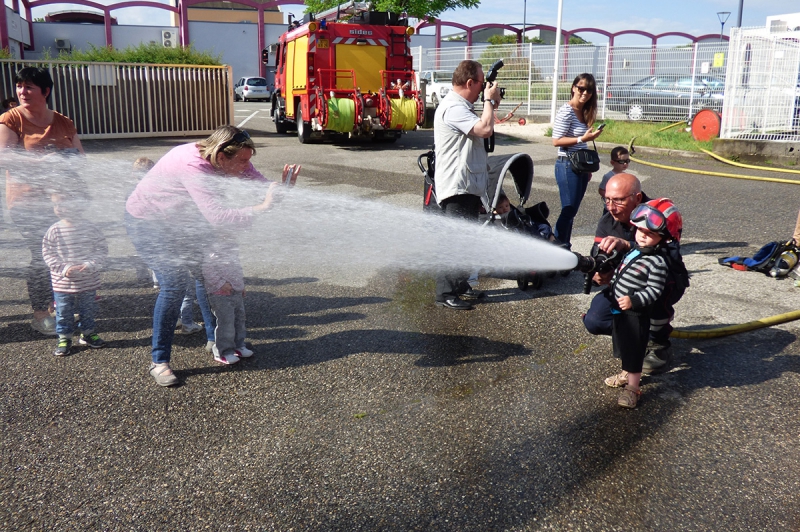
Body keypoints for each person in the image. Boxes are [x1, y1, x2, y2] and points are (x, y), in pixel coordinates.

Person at [125, 125, 299, 387]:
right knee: (174, 285)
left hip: (182, 221)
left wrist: (281, 189)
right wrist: (263, 207)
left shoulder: (232, 156)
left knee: (204, 274)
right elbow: (218, 218)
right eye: (241, 161)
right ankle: (159, 361)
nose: (245, 166)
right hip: (149, 222)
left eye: (248, 160)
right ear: (221, 157)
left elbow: (259, 184)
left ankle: (214, 340)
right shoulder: (194, 167)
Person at [0, 67, 85, 336]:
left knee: (63, 254)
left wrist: (67, 159)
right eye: (19, 86)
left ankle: (57, 304)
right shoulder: (10, 119)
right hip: (27, 203)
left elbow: (80, 157)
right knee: (41, 256)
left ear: (45, 91)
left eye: (29, 87)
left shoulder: (63, 121)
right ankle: (39, 314)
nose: (22, 92)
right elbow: (4, 158)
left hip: (60, 201)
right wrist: (43, 162)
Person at [582, 173, 678, 373]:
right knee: (594, 320)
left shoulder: (659, 214)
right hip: (625, 284)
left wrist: (628, 246)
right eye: (607, 200)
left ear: (638, 198)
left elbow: (670, 255)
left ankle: (658, 345)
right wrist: (599, 272)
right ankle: (632, 334)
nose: (610, 207)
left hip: (656, 282)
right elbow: (598, 252)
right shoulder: (608, 221)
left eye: (618, 200)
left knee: (662, 288)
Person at [433, 59, 501, 310]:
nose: (485, 88)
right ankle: (445, 293)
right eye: (482, 84)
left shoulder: (461, 106)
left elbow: (486, 127)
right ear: (470, 82)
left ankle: (460, 286)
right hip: (458, 186)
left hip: (467, 184)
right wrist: (487, 101)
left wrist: (491, 103)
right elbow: (484, 129)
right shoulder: (453, 107)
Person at [602, 199, 681, 408]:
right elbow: (622, 272)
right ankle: (626, 374)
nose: (642, 236)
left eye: (650, 234)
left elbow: (654, 291)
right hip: (620, 310)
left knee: (636, 350)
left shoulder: (657, 262)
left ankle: (633, 388)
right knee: (623, 345)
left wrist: (634, 300)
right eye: (639, 230)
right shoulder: (635, 251)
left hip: (636, 314)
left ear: (663, 238)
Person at [42, 187, 108, 356]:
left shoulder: (90, 228)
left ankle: (87, 333)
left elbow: (101, 249)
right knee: (64, 312)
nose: (58, 208)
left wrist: (91, 264)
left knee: (88, 310)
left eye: (63, 204)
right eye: (55, 205)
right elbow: (48, 254)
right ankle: (64, 337)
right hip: (63, 282)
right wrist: (64, 269)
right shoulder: (54, 230)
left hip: (88, 281)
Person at [551, 73, 603, 250]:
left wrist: (587, 169)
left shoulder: (583, 111)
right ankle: (557, 246)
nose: (584, 93)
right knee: (568, 210)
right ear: (573, 88)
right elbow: (556, 141)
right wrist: (582, 138)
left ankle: (565, 246)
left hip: (580, 166)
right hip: (566, 165)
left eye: (589, 90)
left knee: (572, 212)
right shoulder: (566, 111)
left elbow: (580, 140)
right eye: (581, 88)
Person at [203, 230, 251, 365]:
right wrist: (221, 284)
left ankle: (239, 345)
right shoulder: (212, 251)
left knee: (239, 319)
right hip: (220, 294)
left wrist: (241, 286)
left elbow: (237, 269)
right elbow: (207, 271)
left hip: (235, 291)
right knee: (226, 323)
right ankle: (222, 351)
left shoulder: (232, 249)